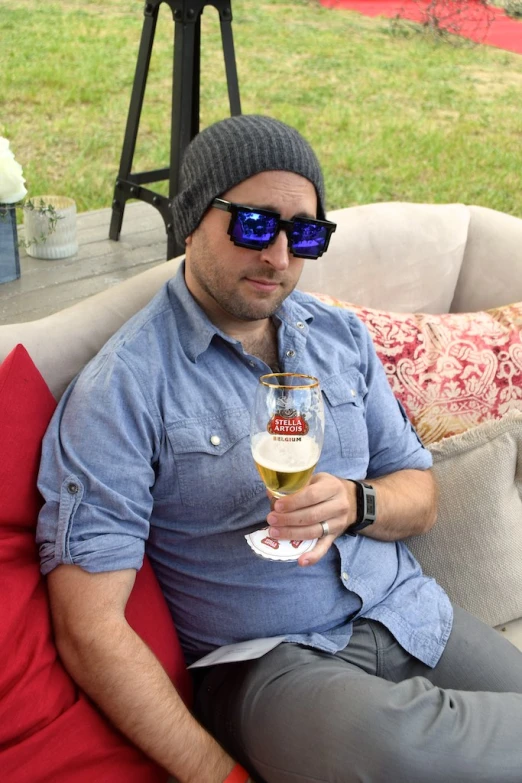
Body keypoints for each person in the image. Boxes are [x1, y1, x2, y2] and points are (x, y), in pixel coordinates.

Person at [36, 114, 522, 783]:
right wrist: (215, 773)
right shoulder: (124, 387)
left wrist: (357, 500)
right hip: (268, 663)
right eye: (255, 224)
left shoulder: (340, 337)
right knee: (398, 750)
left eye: (306, 232)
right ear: (190, 219)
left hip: (407, 612)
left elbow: (420, 490)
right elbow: (88, 628)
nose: (280, 255)